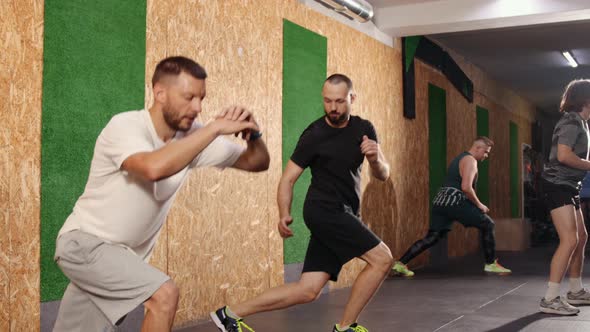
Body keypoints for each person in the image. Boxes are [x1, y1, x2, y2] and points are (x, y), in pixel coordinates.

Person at [52, 56, 270, 332]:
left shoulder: (193, 137)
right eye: (189, 97)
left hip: (120, 258)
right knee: (163, 295)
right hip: (84, 245)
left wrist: (254, 133)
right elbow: (152, 167)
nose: (198, 107)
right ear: (160, 93)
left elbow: (257, 162)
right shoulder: (126, 126)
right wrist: (215, 128)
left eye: (201, 98)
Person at [210, 74, 393, 332]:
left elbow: (383, 175)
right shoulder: (314, 135)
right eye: (327, 101)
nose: (333, 108)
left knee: (308, 290)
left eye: (339, 101)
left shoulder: (364, 129)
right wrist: (283, 213)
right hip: (324, 210)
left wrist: (374, 159)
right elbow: (287, 179)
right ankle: (346, 327)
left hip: (344, 211)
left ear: (352, 98)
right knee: (382, 259)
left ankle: (229, 314)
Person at [391, 137, 512, 277]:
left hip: (440, 202)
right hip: (455, 202)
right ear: (478, 148)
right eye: (486, 152)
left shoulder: (459, 158)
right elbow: (466, 187)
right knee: (488, 224)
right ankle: (490, 264)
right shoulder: (470, 161)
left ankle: (400, 264)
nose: (486, 156)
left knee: (433, 236)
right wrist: (479, 205)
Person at [539, 79, 590, 315]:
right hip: (556, 184)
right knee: (569, 240)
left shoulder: (583, 122)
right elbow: (563, 155)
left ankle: (576, 291)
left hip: (569, 186)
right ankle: (550, 299)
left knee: (581, 237)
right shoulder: (571, 120)